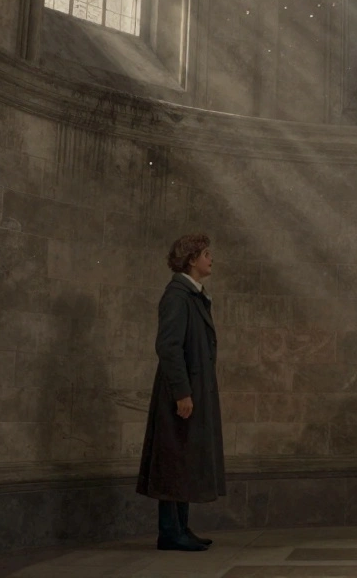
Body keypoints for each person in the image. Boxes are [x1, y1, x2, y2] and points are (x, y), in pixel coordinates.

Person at [136, 233, 226, 551]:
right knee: (174, 459)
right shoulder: (178, 295)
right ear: (191, 259)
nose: (211, 259)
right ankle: (170, 532)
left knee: (182, 458)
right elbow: (169, 347)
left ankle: (180, 529)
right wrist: (182, 393)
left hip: (190, 390)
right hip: (180, 393)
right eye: (206, 254)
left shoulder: (192, 295)